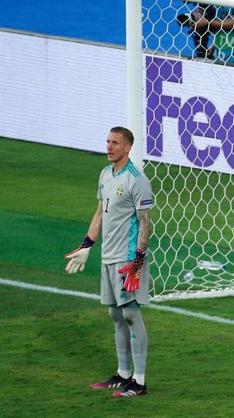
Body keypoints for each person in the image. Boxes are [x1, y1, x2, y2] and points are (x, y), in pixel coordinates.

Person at [64, 126, 154, 397]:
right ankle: (122, 374)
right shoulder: (105, 175)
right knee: (115, 315)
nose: (109, 146)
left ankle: (139, 382)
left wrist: (138, 263)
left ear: (127, 147)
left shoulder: (136, 180)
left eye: (115, 143)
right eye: (107, 141)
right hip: (107, 256)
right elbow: (100, 214)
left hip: (128, 259)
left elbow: (145, 223)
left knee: (130, 314)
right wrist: (86, 246)